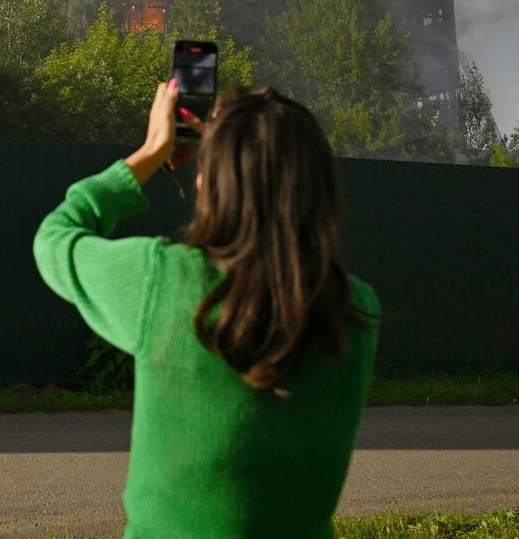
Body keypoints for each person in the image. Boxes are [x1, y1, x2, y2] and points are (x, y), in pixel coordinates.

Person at [34, 80, 380, 539]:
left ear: (209, 183)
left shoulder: (161, 281)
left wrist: (151, 152)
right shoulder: (356, 310)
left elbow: (55, 239)